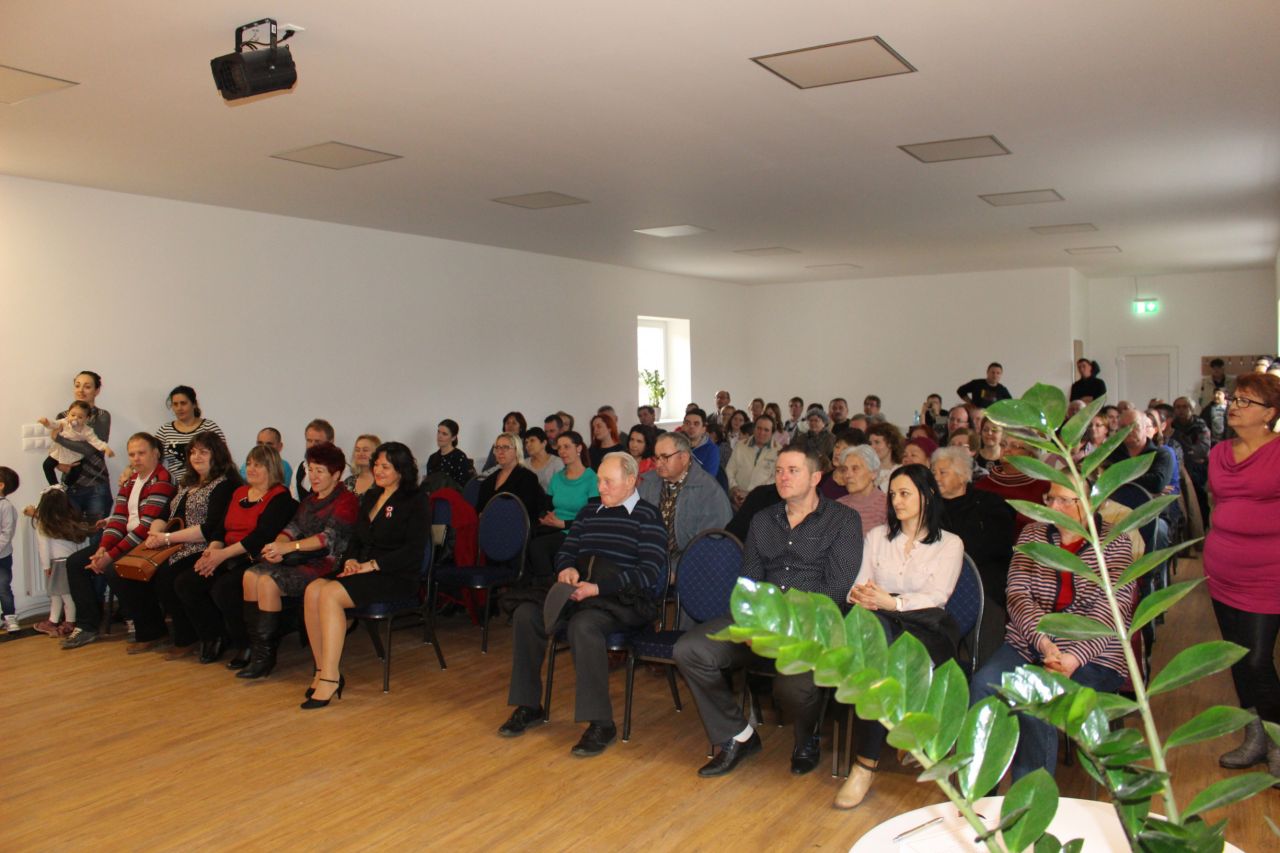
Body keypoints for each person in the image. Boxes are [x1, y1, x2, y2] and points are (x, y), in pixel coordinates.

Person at [674, 446, 862, 779]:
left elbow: (837, 590)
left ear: (816, 477)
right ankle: (738, 735)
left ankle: (807, 738)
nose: (783, 477)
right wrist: (753, 622)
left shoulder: (843, 520)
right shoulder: (763, 519)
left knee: (792, 687)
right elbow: (749, 582)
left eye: (793, 470)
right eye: (778, 471)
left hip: (809, 624)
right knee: (691, 649)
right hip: (762, 620)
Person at [498, 452, 667, 754]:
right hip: (580, 590)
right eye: (599, 480)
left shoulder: (647, 516)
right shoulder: (589, 512)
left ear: (631, 481)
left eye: (608, 481)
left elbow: (649, 572)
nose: (600, 487)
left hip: (621, 598)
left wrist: (599, 588)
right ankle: (528, 705)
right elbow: (567, 548)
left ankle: (601, 723)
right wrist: (566, 568)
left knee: (583, 625)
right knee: (526, 613)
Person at [970, 481, 1136, 783]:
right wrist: (1044, 644)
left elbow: (1112, 607)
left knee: (1037, 698)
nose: (1053, 507)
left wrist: (1072, 658)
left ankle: (1031, 798)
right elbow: (1018, 595)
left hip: (1093, 654)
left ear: (1089, 502)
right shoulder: (1033, 534)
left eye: (1064, 501)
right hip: (1030, 643)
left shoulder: (1114, 542)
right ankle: (979, 788)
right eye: (1050, 499)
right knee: (983, 684)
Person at [837, 464, 964, 809]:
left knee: (883, 658)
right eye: (893, 494)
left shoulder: (950, 543)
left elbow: (937, 597)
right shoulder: (877, 537)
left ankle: (866, 765)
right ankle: (872, 759)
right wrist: (863, 597)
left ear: (928, 496)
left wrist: (891, 601)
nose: (896, 501)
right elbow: (857, 585)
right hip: (881, 619)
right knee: (879, 650)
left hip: (927, 626)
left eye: (905, 493)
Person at [302, 442, 429, 708]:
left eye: (386, 466)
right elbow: (357, 539)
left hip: (395, 575)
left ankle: (331, 677)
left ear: (401, 470)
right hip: (364, 569)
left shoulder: (415, 500)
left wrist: (372, 564)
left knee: (330, 594)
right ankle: (321, 669)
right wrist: (350, 560)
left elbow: (413, 551)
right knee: (313, 590)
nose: (378, 471)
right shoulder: (371, 496)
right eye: (376, 465)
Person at [1203, 374, 1280, 776]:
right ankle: (1255, 737)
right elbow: (1219, 502)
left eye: (1246, 401)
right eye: (1235, 399)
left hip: (1269, 573)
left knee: (1258, 660)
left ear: (1270, 413)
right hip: (1223, 570)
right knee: (1236, 657)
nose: (1235, 406)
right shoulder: (1219, 453)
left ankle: (1278, 740)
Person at [238, 442, 359, 680]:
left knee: (268, 583)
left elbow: (327, 539)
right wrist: (277, 546)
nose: (313, 476)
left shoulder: (346, 500)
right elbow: (292, 528)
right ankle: (256, 649)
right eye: (311, 469)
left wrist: (288, 547)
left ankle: (265, 658)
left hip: (327, 564)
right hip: (301, 558)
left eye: (320, 471)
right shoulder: (310, 501)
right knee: (250, 575)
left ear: (336, 474)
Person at [168, 445, 296, 667]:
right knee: (186, 582)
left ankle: (247, 643)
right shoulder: (239, 493)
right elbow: (220, 528)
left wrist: (221, 555)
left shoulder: (280, 498)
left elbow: (260, 537)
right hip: (226, 554)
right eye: (249, 464)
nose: (251, 469)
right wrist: (212, 551)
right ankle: (214, 636)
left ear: (272, 468)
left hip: (254, 558)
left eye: (258, 465)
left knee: (224, 588)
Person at [61, 433, 177, 649]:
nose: (136, 459)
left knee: (114, 568)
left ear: (155, 453)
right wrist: (103, 548)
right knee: (75, 562)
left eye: (141, 453)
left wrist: (110, 555)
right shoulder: (131, 480)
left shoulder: (162, 480)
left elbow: (146, 528)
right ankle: (87, 626)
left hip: (151, 541)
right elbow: (119, 518)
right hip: (129, 539)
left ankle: (149, 629)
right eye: (132, 454)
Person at [139, 433, 241, 661]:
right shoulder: (187, 483)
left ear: (217, 455)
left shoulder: (225, 484)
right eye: (193, 452)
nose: (196, 456)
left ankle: (207, 635)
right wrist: (156, 533)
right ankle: (185, 634)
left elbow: (210, 528)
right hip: (178, 544)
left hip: (207, 546)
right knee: (155, 572)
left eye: (203, 452)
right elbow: (164, 513)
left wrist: (166, 538)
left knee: (173, 578)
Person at [932, 445, 1016, 663]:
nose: (935, 477)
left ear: (963, 476)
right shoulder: (929, 508)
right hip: (935, 583)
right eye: (933, 472)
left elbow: (1000, 544)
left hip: (983, 582)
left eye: (942, 472)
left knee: (987, 616)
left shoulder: (990, 504)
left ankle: (983, 672)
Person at [639, 432, 732, 584]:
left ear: (683, 457)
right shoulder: (648, 483)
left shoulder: (709, 491)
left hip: (689, 565)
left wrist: (677, 570)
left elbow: (712, 543)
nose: (658, 464)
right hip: (649, 559)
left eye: (665, 457)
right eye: (657, 457)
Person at [527, 432, 599, 578]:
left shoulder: (592, 478)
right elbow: (546, 507)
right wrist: (545, 517)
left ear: (579, 448)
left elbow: (593, 518)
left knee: (538, 546)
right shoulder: (557, 478)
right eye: (559, 448)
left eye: (567, 447)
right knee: (526, 537)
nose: (562, 451)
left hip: (576, 531)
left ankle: (546, 587)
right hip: (553, 527)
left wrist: (563, 524)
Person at [49, 371, 113, 523]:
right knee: (69, 532)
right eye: (77, 386)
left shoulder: (102, 415)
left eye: (87, 387)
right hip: (69, 483)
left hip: (96, 484)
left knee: (96, 532)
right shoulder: (63, 416)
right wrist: (58, 463)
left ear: (97, 390)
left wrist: (58, 438)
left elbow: (90, 449)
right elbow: (57, 448)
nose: (81, 390)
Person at [30, 487, 95, 637]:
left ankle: (69, 622)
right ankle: (54, 620)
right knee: (60, 594)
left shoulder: (43, 524)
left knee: (64, 595)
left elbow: (43, 548)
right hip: (71, 562)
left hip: (57, 564)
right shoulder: (69, 522)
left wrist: (46, 566)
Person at [973, 434, 1051, 532]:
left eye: (1015, 446)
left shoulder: (1045, 487)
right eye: (1003, 445)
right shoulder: (982, 485)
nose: (1006, 450)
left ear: (1030, 455)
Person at [154, 385, 226, 484]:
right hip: (175, 485)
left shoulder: (209, 427)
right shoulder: (165, 431)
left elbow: (222, 457)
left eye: (183, 403)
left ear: (194, 404)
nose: (179, 408)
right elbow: (151, 457)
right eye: (175, 404)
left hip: (206, 483)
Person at [39, 401, 115, 488]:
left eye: (80, 417)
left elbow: (96, 441)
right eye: (72, 415)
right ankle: (54, 486)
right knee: (47, 464)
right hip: (60, 452)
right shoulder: (64, 422)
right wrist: (46, 422)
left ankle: (65, 485)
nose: (75, 418)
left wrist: (106, 448)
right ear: (68, 414)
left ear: (87, 419)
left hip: (74, 455)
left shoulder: (87, 430)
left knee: (77, 470)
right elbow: (54, 424)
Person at [477, 432, 546, 524]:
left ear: (517, 451)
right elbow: (479, 509)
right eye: (497, 447)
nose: (500, 452)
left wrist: (493, 515)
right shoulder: (489, 480)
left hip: (517, 528)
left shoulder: (528, 478)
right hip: (490, 526)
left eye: (506, 447)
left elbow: (526, 512)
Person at [725, 415, 779, 508]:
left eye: (766, 430)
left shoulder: (779, 451)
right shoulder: (740, 445)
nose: (761, 432)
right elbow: (730, 470)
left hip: (761, 502)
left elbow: (775, 478)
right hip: (736, 498)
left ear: (772, 432)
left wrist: (751, 494)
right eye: (759, 428)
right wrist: (734, 488)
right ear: (754, 428)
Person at [836, 446, 887, 534]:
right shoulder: (837, 506)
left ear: (873, 473)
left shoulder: (887, 505)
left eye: (855, 469)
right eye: (845, 470)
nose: (848, 475)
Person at [240, 428, 295, 497]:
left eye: (269, 444)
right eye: (260, 443)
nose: (263, 447)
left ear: (280, 446)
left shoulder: (284, 467)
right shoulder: (245, 466)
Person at [425, 419, 475, 491]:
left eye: (444, 434)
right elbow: (429, 485)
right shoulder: (432, 458)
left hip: (453, 496)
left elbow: (463, 486)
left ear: (453, 437)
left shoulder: (459, 457)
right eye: (438, 432)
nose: (439, 436)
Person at [295, 419, 335, 499]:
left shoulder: (341, 469)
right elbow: (294, 500)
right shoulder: (299, 468)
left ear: (330, 442)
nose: (312, 445)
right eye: (309, 441)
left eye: (317, 441)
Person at [0, 467, 19, 633]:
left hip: (2, 556)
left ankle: (10, 617)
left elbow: (7, 533)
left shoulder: (6, 507)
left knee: (3, 586)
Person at [866, 421, 904, 491]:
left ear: (890, 444)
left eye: (877, 442)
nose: (872, 447)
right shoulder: (866, 470)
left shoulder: (901, 471)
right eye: (870, 443)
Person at [343, 434, 381, 498]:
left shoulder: (383, 483)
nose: (360, 453)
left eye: (365, 450)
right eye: (357, 450)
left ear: (377, 454)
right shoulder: (348, 482)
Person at [682, 408, 719, 474]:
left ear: (703, 429)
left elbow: (708, 477)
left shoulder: (711, 449)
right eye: (687, 423)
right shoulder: (676, 445)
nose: (691, 426)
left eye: (696, 424)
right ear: (683, 426)